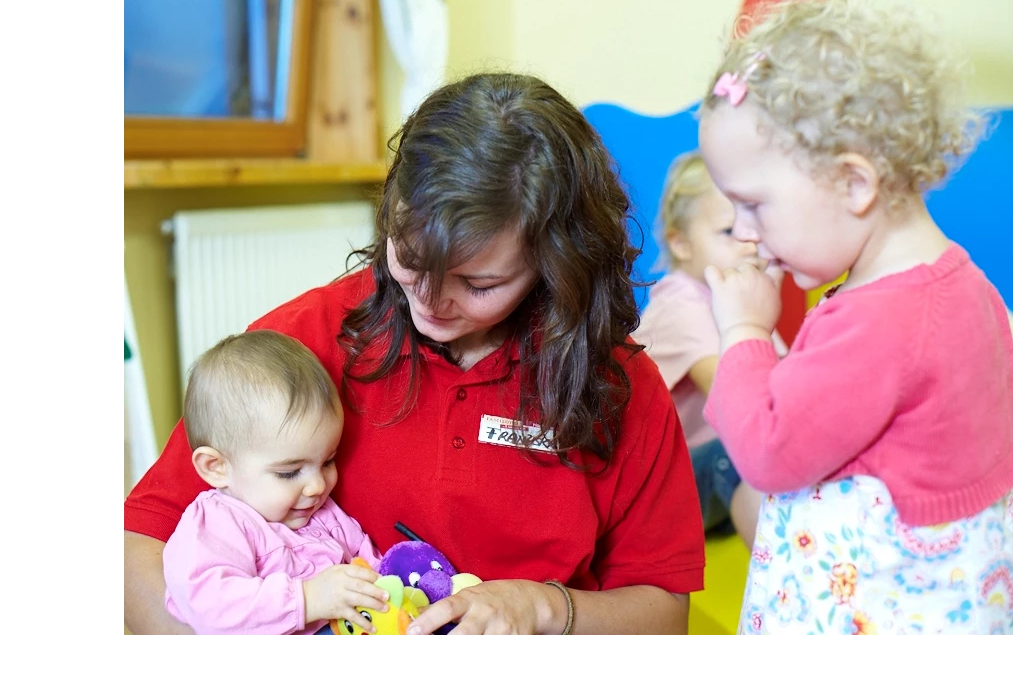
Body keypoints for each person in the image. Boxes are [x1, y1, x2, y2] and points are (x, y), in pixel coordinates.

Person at [124, 71, 706, 636]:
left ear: (557, 264)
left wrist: (544, 609)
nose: (428, 303)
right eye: (408, 257)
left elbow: (661, 612)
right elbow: (141, 542)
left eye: (477, 284)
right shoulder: (303, 344)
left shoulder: (619, 387)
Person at [697, 0, 1013, 635]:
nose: (742, 231)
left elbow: (764, 451)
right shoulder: (961, 284)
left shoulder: (880, 321)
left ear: (854, 184)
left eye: (753, 204)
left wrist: (744, 331)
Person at [161, 330, 388, 634]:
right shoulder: (214, 525)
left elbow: (369, 565)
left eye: (327, 461)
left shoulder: (322, 511)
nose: (317, 485)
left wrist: (389, 586)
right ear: (216, 467)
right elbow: (211, 609)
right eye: (289, 472)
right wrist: (307, 599)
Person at [632, 150, 786, 551]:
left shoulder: (740, 296)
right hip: (659, 498)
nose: (751, 242)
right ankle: (781, 572)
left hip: (706, 485)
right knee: (746, 451)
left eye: (757, 224)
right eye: (729, 230)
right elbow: (747, 405)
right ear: (681, 244)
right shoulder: (682, 305)